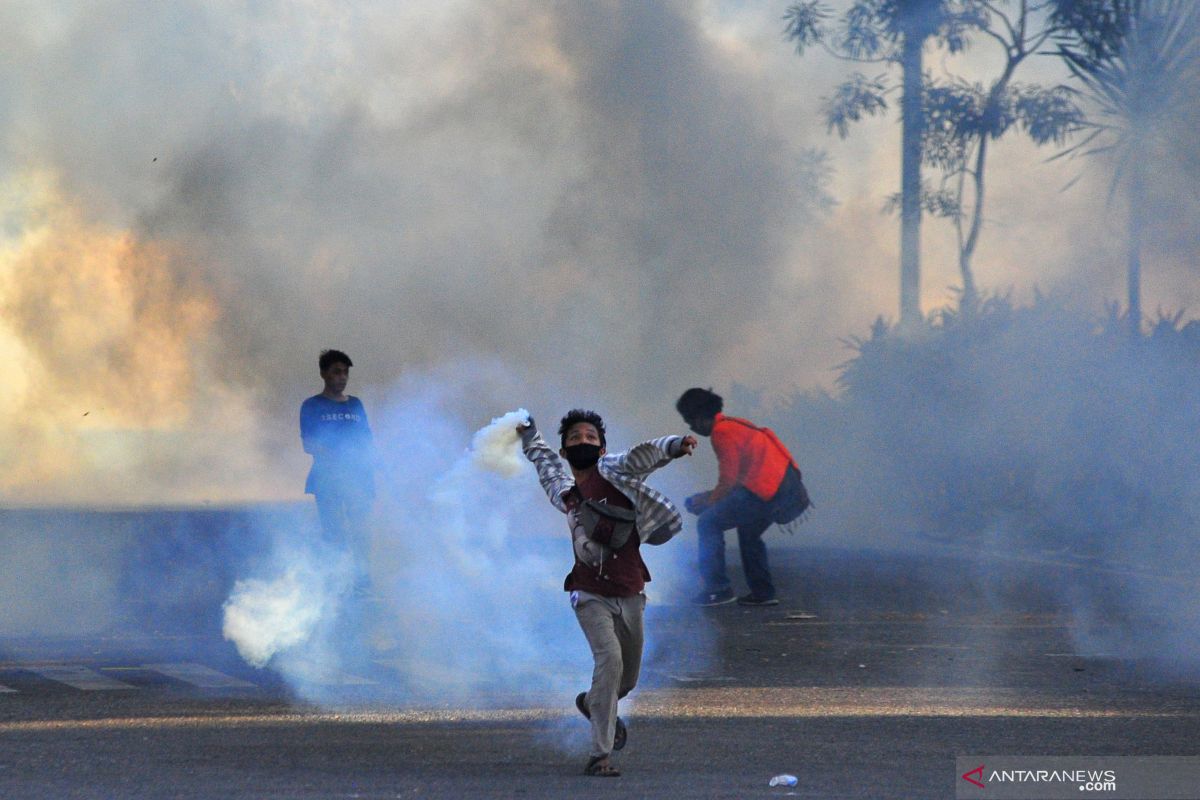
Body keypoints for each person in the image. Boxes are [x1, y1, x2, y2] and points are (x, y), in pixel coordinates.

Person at [518, 409, 696, 777]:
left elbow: (643, 455)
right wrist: (529, 433)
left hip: (631, 592)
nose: (582, 442)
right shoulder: (566, 493)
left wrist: (676, 446)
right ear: (565, 451)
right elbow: (544, 461)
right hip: (588, 593)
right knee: (609, 661)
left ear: (602, 449)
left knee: (625, 681)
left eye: (590, 438)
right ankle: (600, 756)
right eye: (574, 439)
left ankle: (592, 702)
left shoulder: (616, 471)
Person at [675, 387, 808, 607]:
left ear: (699, 417)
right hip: (784, 487)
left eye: (690, 422)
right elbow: (736, 481)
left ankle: (717, 590)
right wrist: (710, 498)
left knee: (708, 522)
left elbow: (729, 479)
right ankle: (763, 593)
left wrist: (709, 502)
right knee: (749, 532)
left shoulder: (722, 432)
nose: (691, 428)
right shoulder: (737, 424)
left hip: (765, 490)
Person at [300, 349, 376, 585]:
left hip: (358, 479)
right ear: (324, 374)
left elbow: (367, 439)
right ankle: (338, 584)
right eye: (336, 372)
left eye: (345, 373)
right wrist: (340, 454)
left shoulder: (355, 404)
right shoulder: (312, 405)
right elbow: (309, 444)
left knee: (361, 533)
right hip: (328, 480)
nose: (342, 378)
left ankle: (362, 582)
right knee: (334, 534)